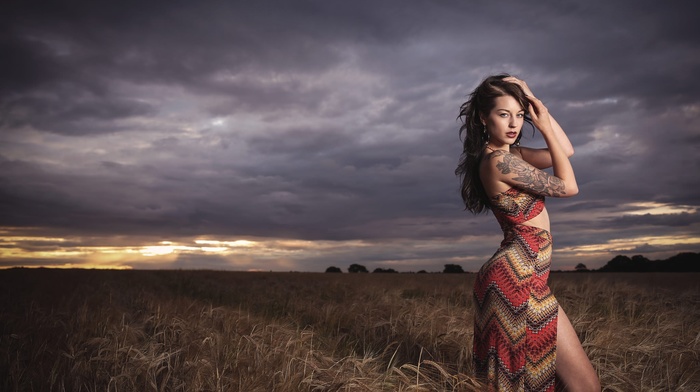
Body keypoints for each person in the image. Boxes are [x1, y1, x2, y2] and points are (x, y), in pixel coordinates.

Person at [455, 74, 600, 392]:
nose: (514, 123)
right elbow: (569, 186)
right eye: (503, 114)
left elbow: (566, 151)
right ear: (483, 117)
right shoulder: (498, 163)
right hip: (517, 279)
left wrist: (537, 103)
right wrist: (544, 125)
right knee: (584, 385)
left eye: (519, 115)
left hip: (524, 275)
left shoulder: (514, 156)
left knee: (558, 382)